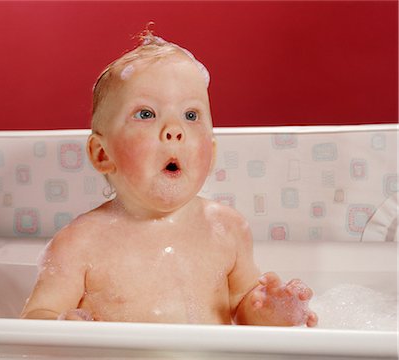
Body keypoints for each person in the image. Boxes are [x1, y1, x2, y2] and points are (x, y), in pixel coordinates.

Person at [21, 30, 318, 327]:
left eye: (191, 115)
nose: (174, 130)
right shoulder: (80, 243)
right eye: (147, 114)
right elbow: (35, 317)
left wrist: (273, 314)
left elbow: (243, 309)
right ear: (102, 154)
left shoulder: (227, 229)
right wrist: (65, 327)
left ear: (211, 153)